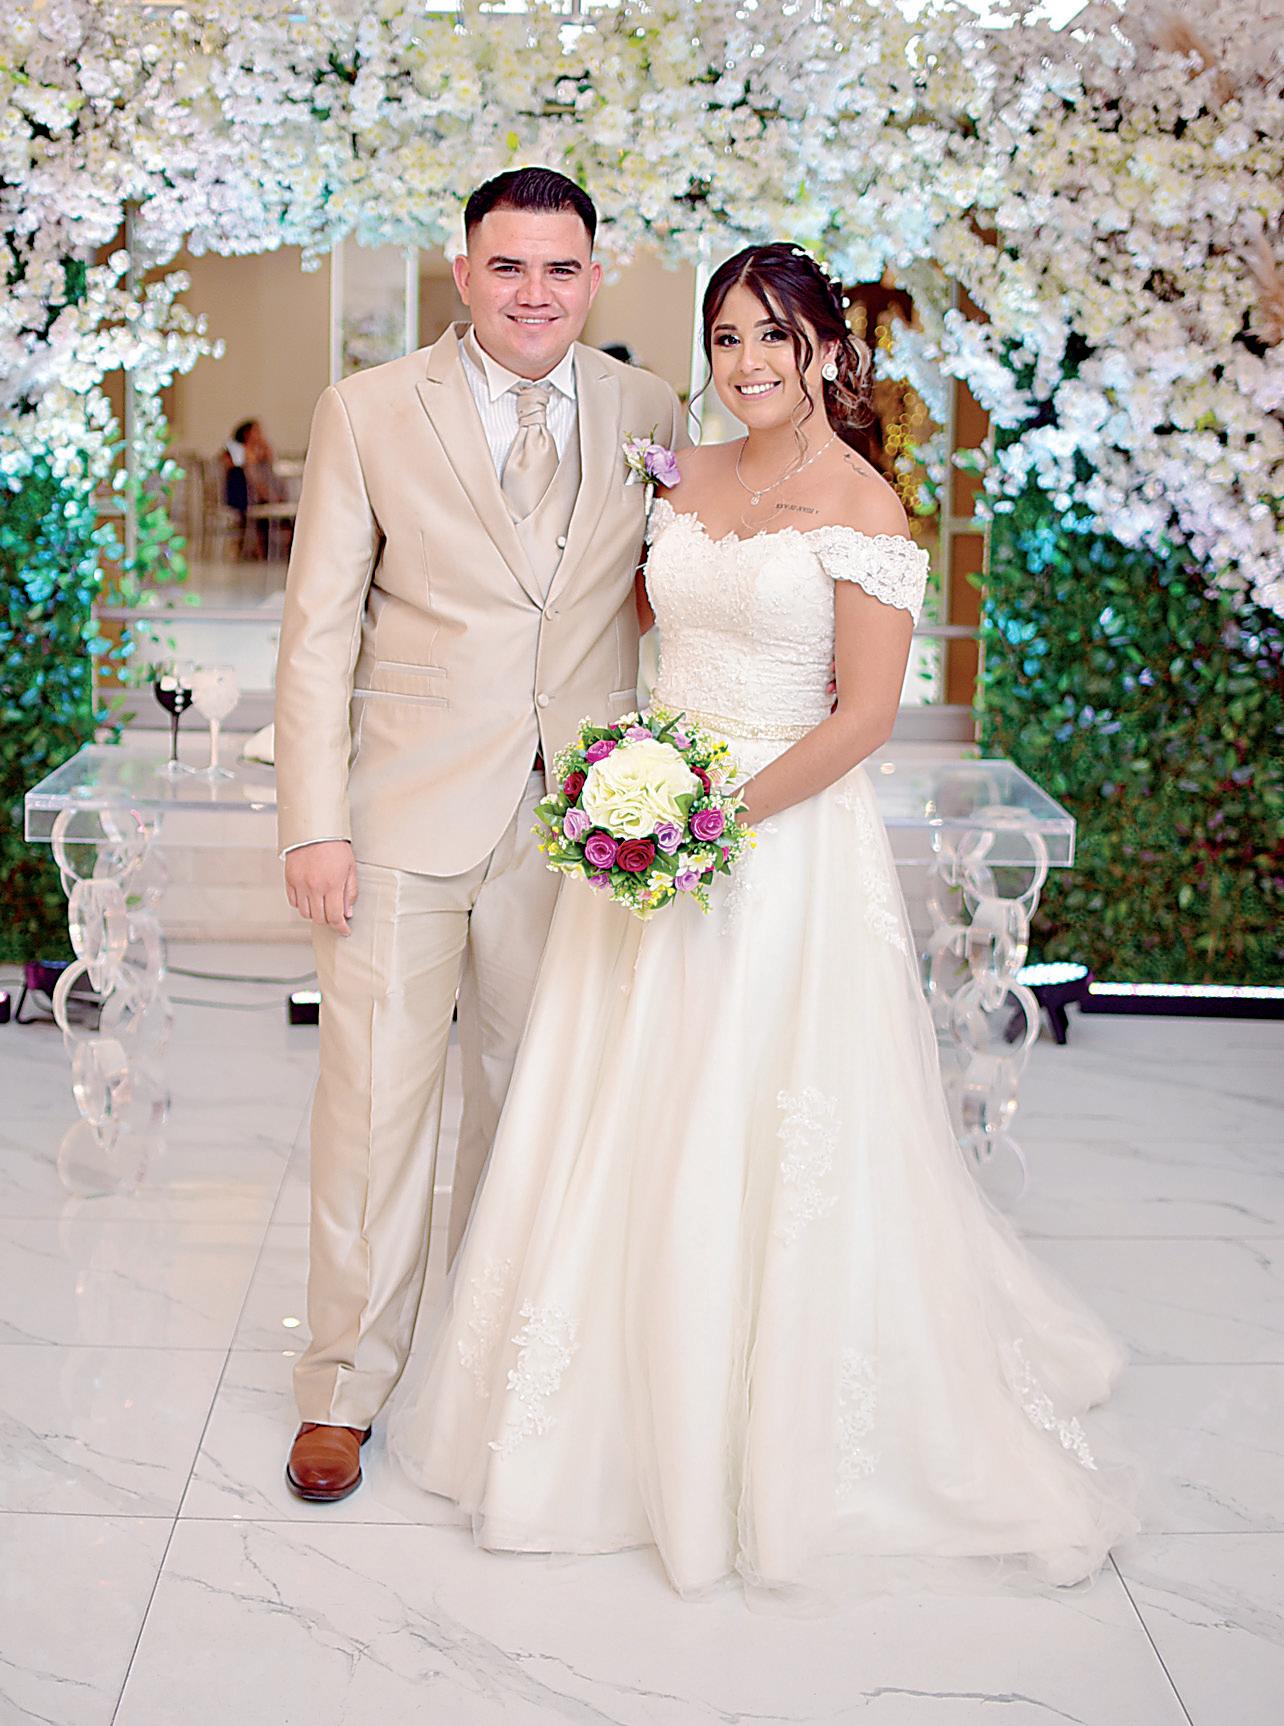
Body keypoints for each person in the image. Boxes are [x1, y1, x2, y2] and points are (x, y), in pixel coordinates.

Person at [388, 242, 1138, 1599]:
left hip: (778, 845)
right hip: (648, 826)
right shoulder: (681, 472)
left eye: (774, 339)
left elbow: (864, 718)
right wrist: (633, 792)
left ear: (826, 352)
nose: (746, 364)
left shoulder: (865, 505)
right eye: (727, 338)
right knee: (622, 1102)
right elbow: (630, 633)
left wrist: (712, 820)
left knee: (759, 1109)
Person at [274, 167, 686, 1504]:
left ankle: (496, 1374)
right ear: (463, 273)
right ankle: (342, 1388)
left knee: (529, 1106)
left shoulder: (650, 413)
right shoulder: (367, 409)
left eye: (560, 268)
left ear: (594, 277)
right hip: (400, 815)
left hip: (578, 822)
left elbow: (668, 602)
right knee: (374, 1110)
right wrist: (313, 824)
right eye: (507, 266)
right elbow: (317, 634)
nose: (534, 293)